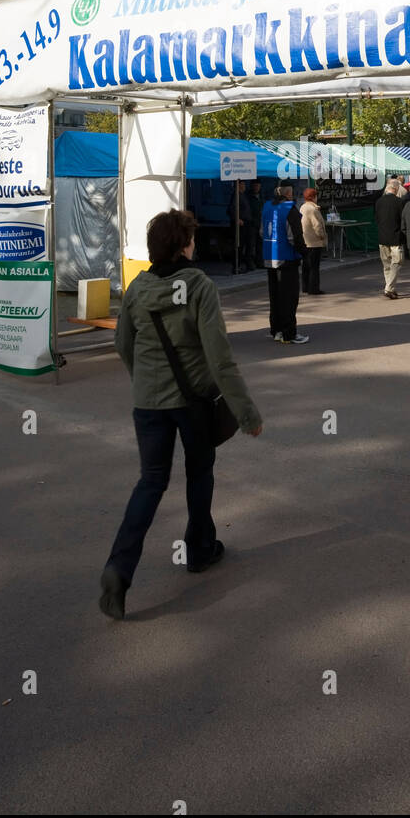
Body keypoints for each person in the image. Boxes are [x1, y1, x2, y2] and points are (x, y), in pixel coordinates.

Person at [100, 209, 263, 620]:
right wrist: (246, 413)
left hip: (148, 404)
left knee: (150, 482)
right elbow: (219, 356)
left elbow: (123, 344)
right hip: (192, 403)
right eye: (191, 239)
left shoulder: (137, 287)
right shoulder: (199, 286)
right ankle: (199, 549)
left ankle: (119, 569)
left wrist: (144, 381)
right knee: (199, 470)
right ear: (184, 246)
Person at [263, 184, 309, 343]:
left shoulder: (267, 207)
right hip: (286, 259)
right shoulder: (290, 209)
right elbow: (294, 237)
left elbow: (262, 231)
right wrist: (305, 253)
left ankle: (276, 331)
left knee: (275, 297)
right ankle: (289, 334)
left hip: (270, 257)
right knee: (289, 298)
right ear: (289, 194)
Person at [374, 177, 404, 300]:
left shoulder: (379, 202)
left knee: (386, 265)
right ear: (396, 189)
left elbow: (376, 218)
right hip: (396, 237)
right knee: (397, 262)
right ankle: (389, 288)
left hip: (382, 236)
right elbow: (402, 220)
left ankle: (390, 288)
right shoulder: (399, 202)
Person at [300, 187, 327, 295]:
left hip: (305, 240)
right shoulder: (313, 209)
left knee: (306, 266)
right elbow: (317, 226)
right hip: (314, 242)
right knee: (314, 267)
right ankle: (314, 289)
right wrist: (322, 236)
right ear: (314, 197)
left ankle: (305, 287)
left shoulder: (302, 207)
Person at [227, 179, 252, 272]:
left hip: (246, 224)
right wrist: (237, 219)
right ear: (239, 185)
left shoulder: (243, 195)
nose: (244, 186)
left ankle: (242, 264)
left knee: (245, 244)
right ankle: (236, 266)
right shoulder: (236, 196)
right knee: (239, 245)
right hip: (240, 225)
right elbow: (230, 210)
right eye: (243, 184)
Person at [246, 180, 264, 268]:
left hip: (260, 223)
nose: (257, 187)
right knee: (250, 244)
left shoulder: (261, 196)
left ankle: (259, 262)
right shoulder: (248, 196)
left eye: (258, 186)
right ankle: (249, 263)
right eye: (255, 185)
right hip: (251, 224)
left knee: (259, 244)